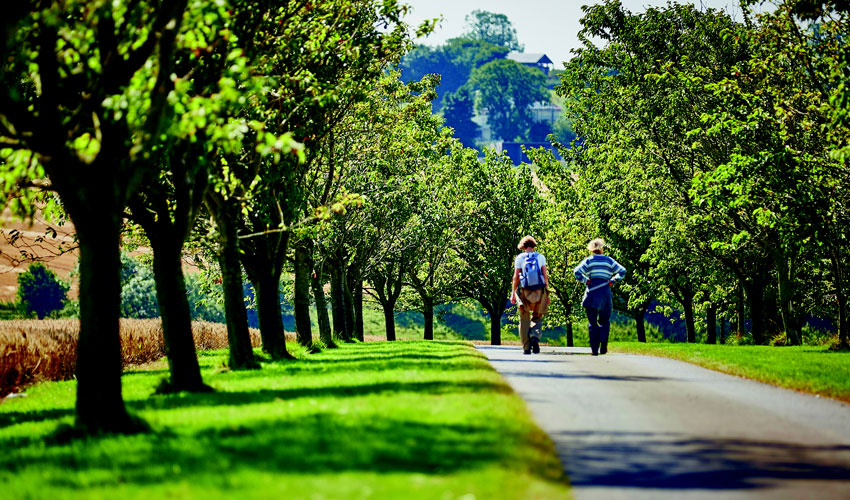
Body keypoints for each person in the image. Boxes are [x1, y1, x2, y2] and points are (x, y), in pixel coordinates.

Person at [573, 238, 626, 356]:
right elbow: (622, 271)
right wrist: (613, 280)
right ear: (601, 248)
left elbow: (576, 271)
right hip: (605, 292)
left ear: (591, 249)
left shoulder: (589, 261)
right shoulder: (609, 261)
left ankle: (594, 349)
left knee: (592, 322)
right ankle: (604, 345)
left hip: (591, 293)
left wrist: (585, 280)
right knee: (604, 321)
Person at [511, 236, 550, 354]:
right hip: (539, 290)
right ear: (533, 245)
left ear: (522, 246)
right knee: (538, 316)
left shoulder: (519, 258)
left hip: (524, 291)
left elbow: (516, 277)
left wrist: (513, 293)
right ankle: (535, 336)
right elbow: (545, 275)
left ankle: (527, 347)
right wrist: (547, 293)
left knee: (524, 319)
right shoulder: (540, 257)